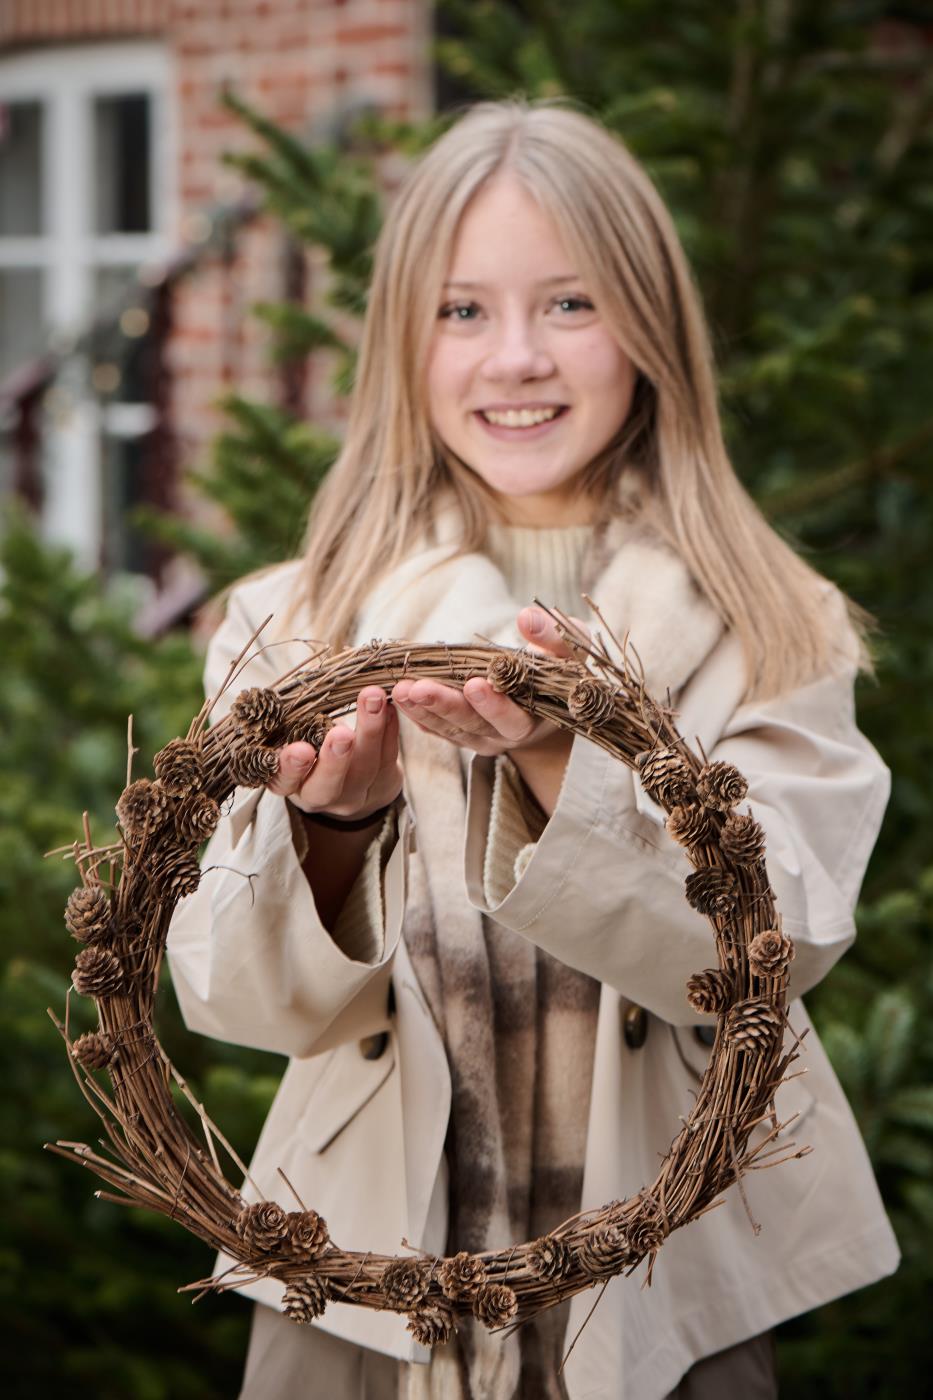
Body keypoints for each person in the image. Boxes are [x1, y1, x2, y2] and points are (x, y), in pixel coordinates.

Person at [167, 99, 899, 1400]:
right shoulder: (294, 623)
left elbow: (774, 944)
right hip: (357, 1305)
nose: (514, 358)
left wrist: (567, 763)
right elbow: (233, 997)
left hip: (666, 1291)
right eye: (461, 312)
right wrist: (330, 833)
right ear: (403, 341)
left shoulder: (767, 622)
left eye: (568, 304)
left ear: (648, 329)